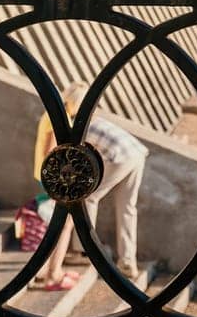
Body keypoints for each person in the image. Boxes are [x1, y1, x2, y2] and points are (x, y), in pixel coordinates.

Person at [32, 82, 149, 288]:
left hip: (121, 157)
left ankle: (82, 250)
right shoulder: (88, 119)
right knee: (127, 208)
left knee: (88, 197)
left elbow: (73, 156)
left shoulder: (75, 124)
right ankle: (128, 262)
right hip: (136, 152)